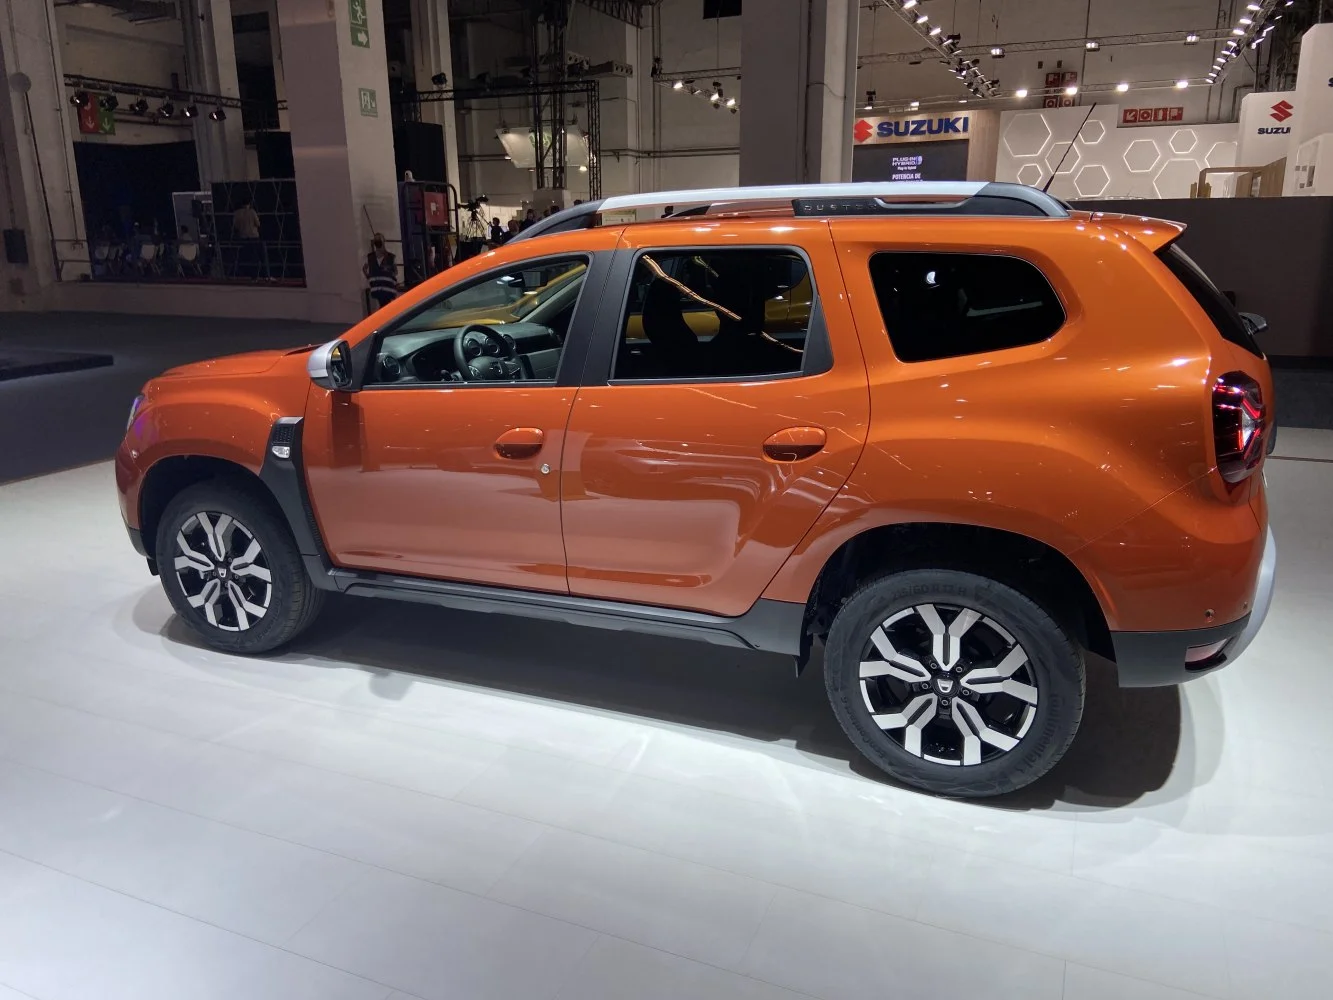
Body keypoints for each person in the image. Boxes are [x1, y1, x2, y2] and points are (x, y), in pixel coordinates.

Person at [363, 233, 398, 311]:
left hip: (387, 289)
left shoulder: (391, 257)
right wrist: (369, 278)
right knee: (384, 308)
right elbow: (365, 269)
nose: (378, 241)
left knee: (384, 308)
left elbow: (395, 272)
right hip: (377, 289)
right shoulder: (370, 257)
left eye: (379, 239)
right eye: (376, 239)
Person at [232, 198, 263, 279]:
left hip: (243, 237)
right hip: (254, 236)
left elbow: (235, 226)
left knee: (245, 256)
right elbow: (258, 224)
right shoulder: (252, 212)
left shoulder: (237, 213)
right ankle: (255, 274)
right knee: (254, 256)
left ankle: (244, 273)